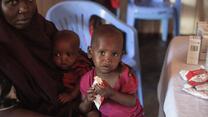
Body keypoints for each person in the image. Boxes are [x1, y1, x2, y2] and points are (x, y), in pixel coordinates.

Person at [0, 0, 75, 117]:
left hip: (71, 100)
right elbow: (7, 112)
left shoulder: (42, 27)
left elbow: (75, 57)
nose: (24, 9)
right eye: (13, 2)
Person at [79, 24, 144, 117]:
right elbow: (82, 109)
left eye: (114, 54)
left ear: (121, 56)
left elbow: (132, 101)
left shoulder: (125, 75)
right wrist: (87, 101)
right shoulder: (88, 80)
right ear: (90, 52)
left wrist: (112, 94)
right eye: (102, 52)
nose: (108, 59)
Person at [52, 30, 91, 116]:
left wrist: (71, 95)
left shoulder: (80, 65)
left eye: (68, 54)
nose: (63, 59)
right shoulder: (55, 66)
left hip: (85, 95)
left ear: (77, 53)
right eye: (57, 54)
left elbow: (83, 80)